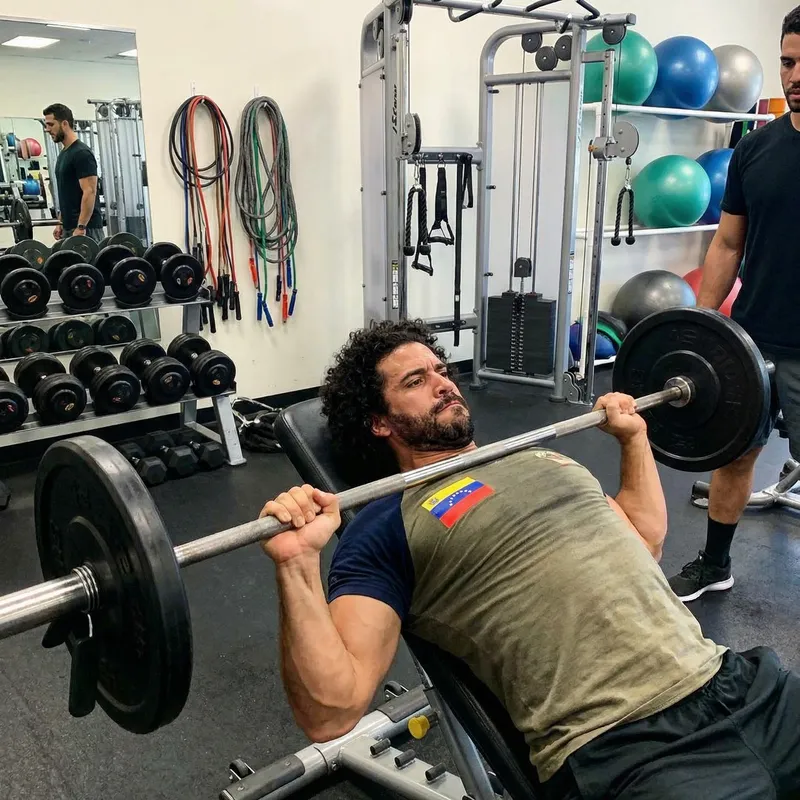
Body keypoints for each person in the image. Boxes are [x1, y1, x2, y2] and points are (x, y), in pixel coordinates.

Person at [260, 320, 800, 799]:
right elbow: (334, 710)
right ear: (380, 422)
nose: (443, 382)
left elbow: (643, 540)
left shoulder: (541, 455)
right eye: (415, 382)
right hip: (627, 745)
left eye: (439, 369)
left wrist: (634, 439)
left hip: (737, 680)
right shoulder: (383, 525)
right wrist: (297, 562)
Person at [667, 6, 800, 603]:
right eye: (789, 62)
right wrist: (701, 325)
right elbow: (726, 241)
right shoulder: (756, 150)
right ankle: (715, 562)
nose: (795, 76)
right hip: (754, 336)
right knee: (735, 455)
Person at [42, 103, 104, 243]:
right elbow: (67, 194)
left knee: (88, 266)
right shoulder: (64, 154)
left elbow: (90, 191)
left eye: (51, 125)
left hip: (87, 229)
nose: (47, 129)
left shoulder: (82, 153)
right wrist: (60, 223)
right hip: (71, 227)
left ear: (64, 124)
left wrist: (81, 227)